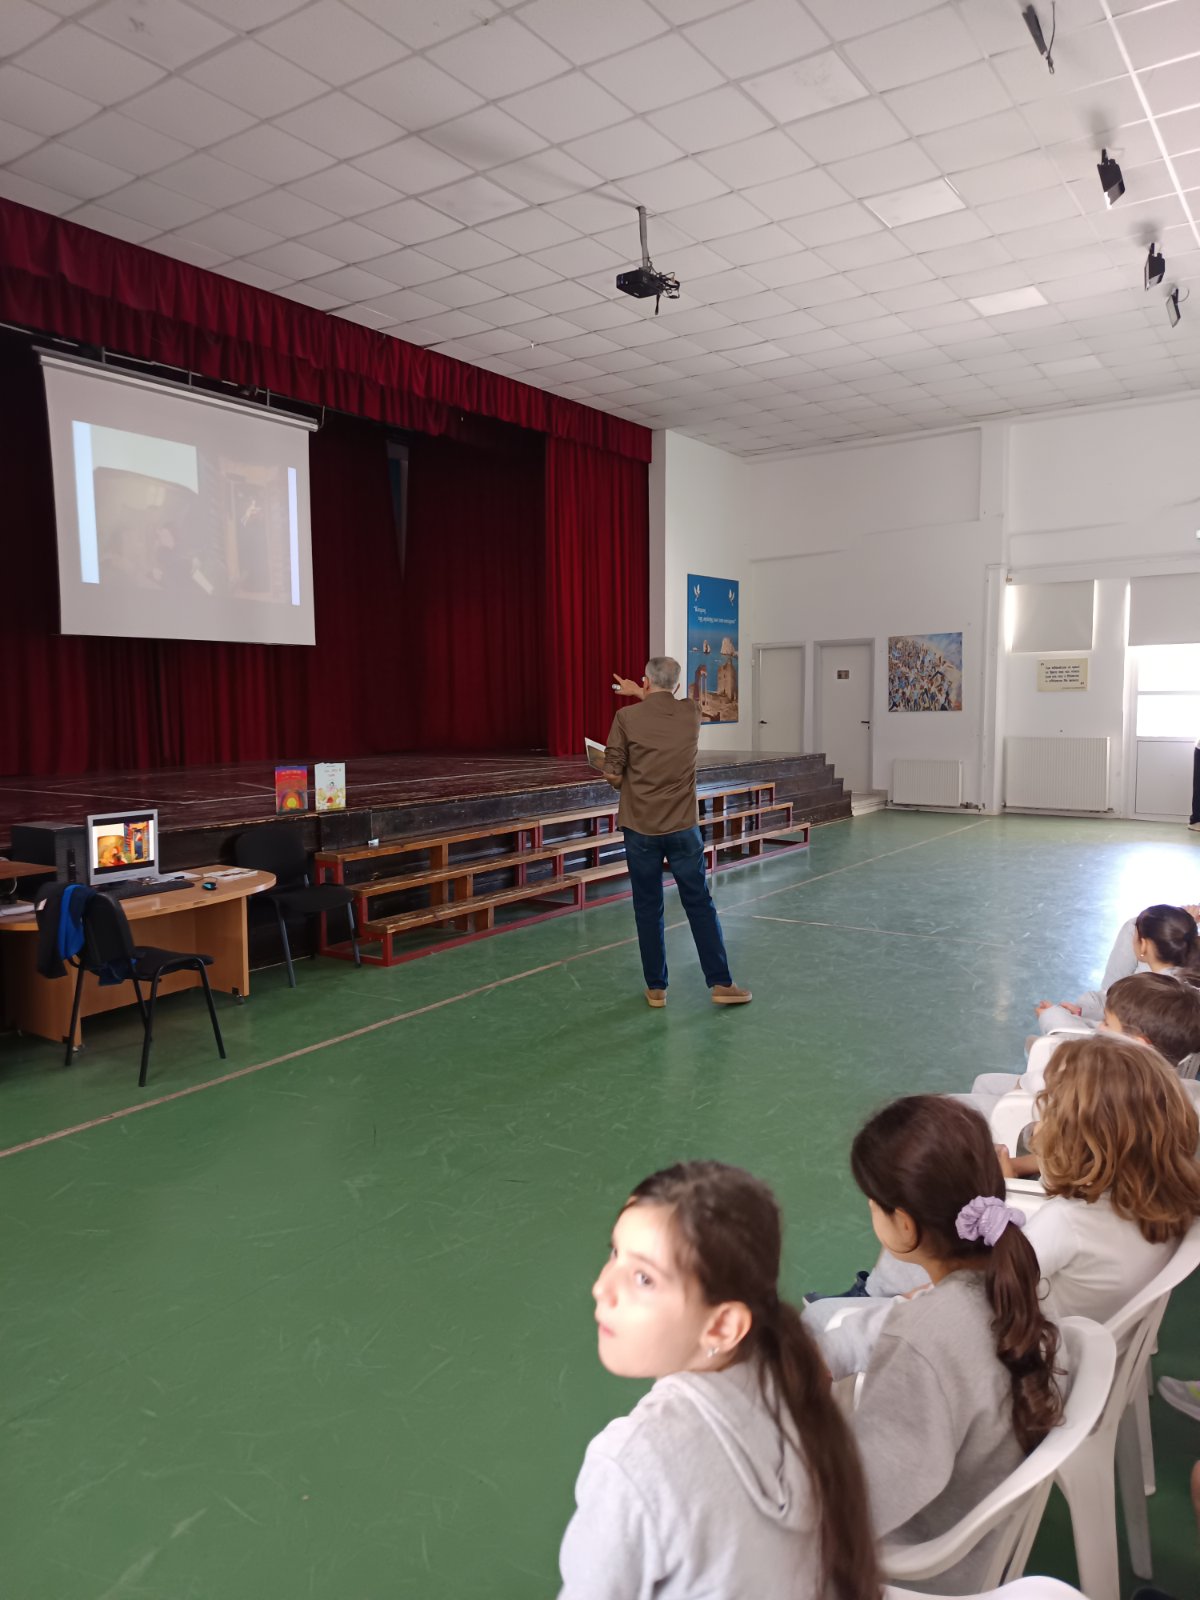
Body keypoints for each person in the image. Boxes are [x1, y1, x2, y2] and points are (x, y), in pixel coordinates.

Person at [558, 1161, 879, 1600]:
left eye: (643, 1278)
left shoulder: (632, 1462)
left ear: (724, 1326)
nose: (602, 1288)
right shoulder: (789, 1378)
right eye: (615, 1253)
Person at [837, 1097, 1064, 1595]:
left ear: (904, 1225)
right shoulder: (1021, 1287)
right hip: (977, 1527)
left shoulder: (920, 1344)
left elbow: (855, 1507)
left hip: (918, 1567)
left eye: (873, 1204)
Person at [997, 1036, 1200, 1323]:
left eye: (1051, 1111)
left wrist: (1005, 1194)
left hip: (1044, 1336)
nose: (1040, 1125)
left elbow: (993, 1286)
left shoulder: (1066, 1223)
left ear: (1073, 1143)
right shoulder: (1170, 1195)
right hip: (1102, 1329)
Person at [604, 659, 750, 1008]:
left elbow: (612, 773)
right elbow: (663, 701)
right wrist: (644, 692)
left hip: (640, 826)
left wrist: (627, 780)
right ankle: (721, 983)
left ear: (645, 681)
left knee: (647, 905)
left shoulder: (626, 718)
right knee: (699, 903)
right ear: (678, 685)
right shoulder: (691, 713)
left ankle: (656, 988)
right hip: (683, 827)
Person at [970, 970, 1200, 1111]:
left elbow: (1033, 1083)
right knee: (985, 1082)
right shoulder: (1188, 1092)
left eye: (1107, 1023)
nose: (1099, 1027)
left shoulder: (1093, 1070)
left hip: (1041, 1127)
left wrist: (1022, 1084)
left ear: (1139, 1044)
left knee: (968, 1102)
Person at [1035, 903, 1200, 1034]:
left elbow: (1109, 1042)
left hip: (1125, 1063)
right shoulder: (1189, 992)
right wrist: (1081, 1013)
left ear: (1144, 945)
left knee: (1036, 1045)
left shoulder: (1141, 993)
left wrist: (1052, 1017)